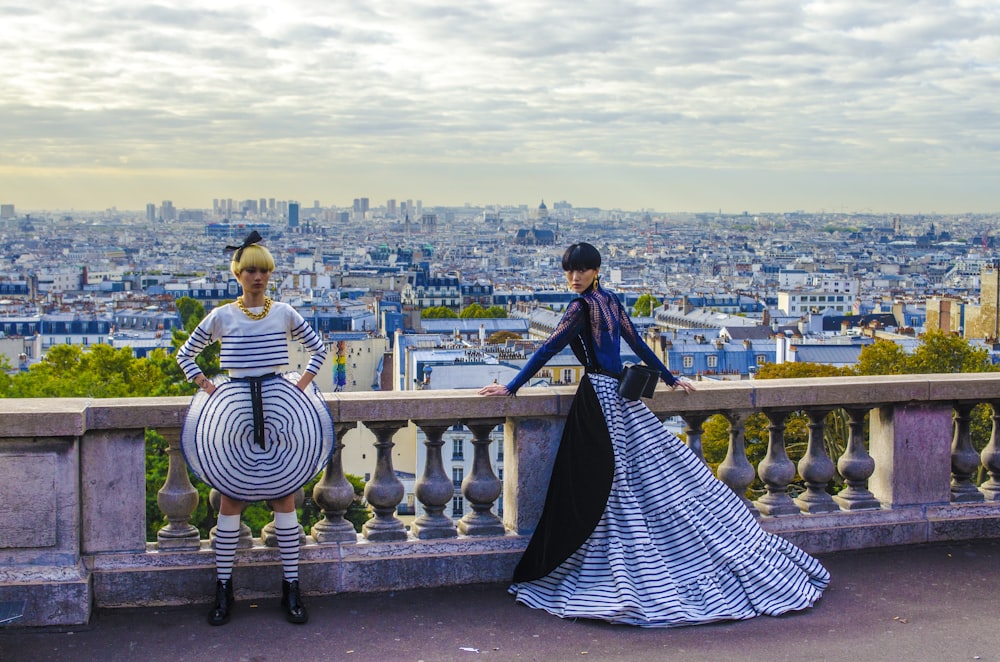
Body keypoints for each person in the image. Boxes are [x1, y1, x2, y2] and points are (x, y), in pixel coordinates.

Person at [480, 241, 829, 627]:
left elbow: (548, 348)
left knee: (600, 485)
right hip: (623, 397)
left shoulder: (580, 307)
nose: (573, 277)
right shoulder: (611, 301)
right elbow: (638, 344)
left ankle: (607, 564)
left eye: (580, 270)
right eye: (569, 271)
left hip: (598, 398)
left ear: (595, 270)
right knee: (650, 477)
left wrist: (511, 387)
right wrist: (668, 376)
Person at [176, 230, 334, 626]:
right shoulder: (223, 316)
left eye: (263, 270)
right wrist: (207, 385)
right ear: (238, 275)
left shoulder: (282, 312)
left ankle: (286, 586)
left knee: (282, 499)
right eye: (250, 270)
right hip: (240, 409)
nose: (257, 277)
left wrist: (299, 385)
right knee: (232, 499)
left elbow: (319, 348)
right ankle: (229, 587)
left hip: (273, 405)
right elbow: (185, 355)